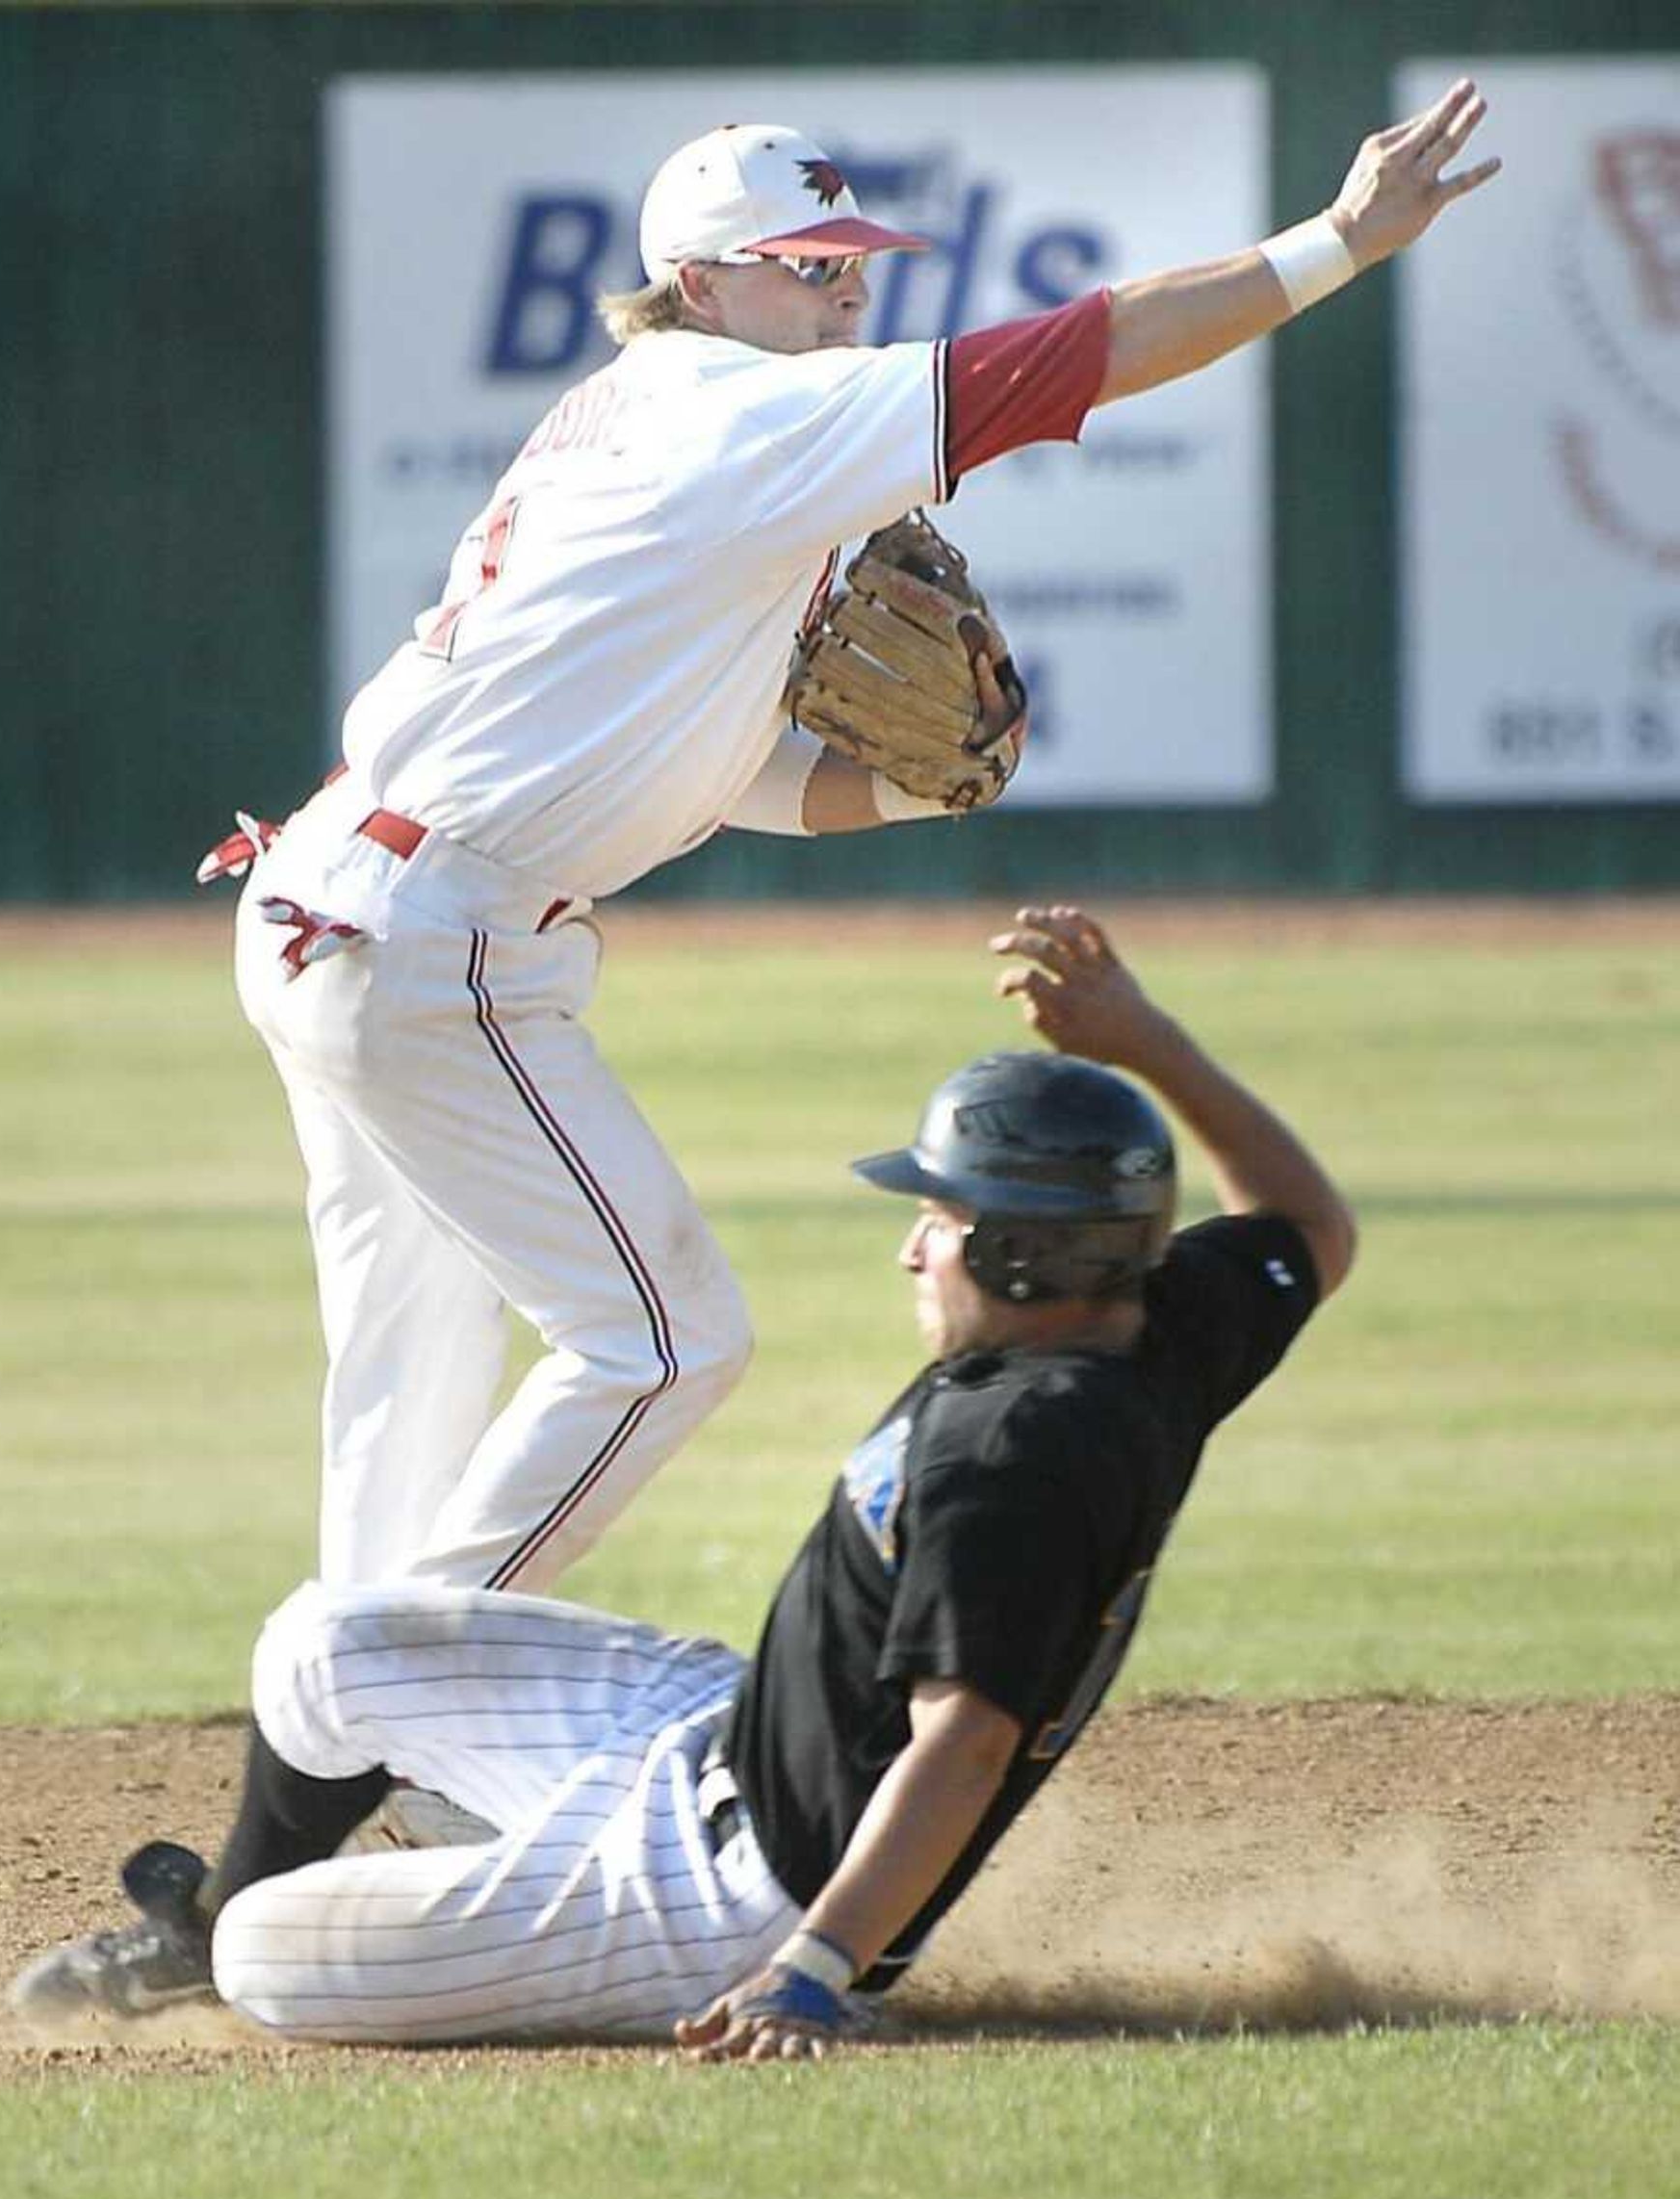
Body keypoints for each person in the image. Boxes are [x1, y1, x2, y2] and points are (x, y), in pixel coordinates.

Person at [210, 91, 1490, 1595]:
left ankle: (339, 1731)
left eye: (854, 262)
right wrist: (1335, 245)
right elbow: (1081, 349)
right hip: (427, 935)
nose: (847, 290)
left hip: (347, 896)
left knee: (414, 1347)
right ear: (704, 285)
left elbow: (721, 758)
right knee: (668, 1340)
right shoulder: (745, 413)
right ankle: (401, 1691)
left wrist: (906, 789)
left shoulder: (644, 416)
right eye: (808, 265)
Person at [10, 903, 1356, 2057]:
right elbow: (1310, 1225)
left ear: (1019, 1260)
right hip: (710, 1729)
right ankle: (356, 1889)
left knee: (272, 1957)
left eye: (938, 1221)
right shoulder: (1153, 1323)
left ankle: (411, 1907)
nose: (912, 1249)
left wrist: (818, 1970)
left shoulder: (1017, 1456)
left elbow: (969, 1741)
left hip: (727, 1903)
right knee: (322, 1642)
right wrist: (1143, 1047)